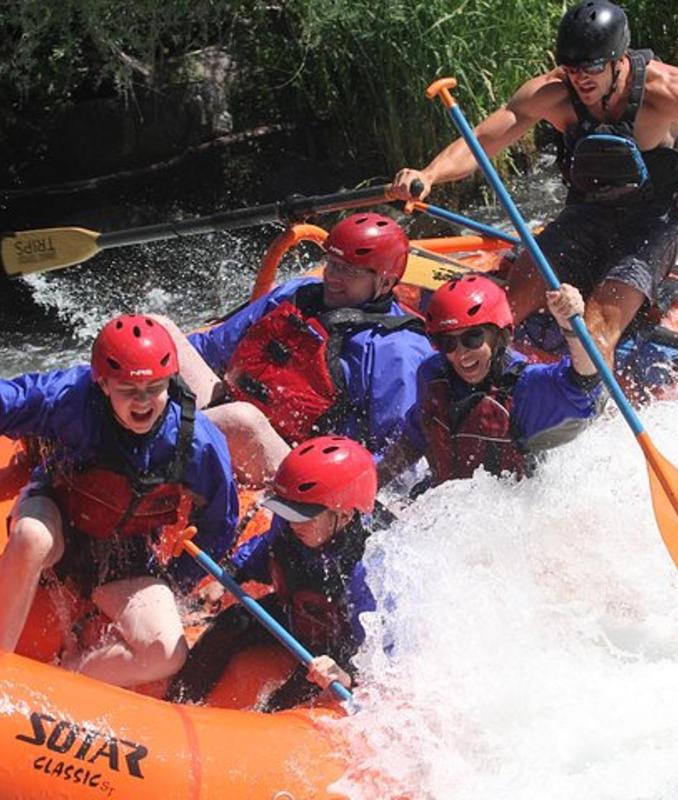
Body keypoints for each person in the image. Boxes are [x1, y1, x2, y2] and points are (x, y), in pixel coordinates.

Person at [392, 0, 678, 365]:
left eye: (591, 67)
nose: (580, 78)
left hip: (652, 225)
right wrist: (429, 174)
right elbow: (482, 141)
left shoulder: (665, 92)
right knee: (504, 311)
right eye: (571, 67)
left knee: (595, 332)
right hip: (586, 216)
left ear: (618, 59)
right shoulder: (553, 93)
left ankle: (584, 397)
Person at [0, 314, 240, 687]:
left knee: (166, 654)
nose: (143, 402)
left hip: (125, 554)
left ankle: (66, 677)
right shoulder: (71, 397)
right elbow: (13, 400)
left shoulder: (197, 440)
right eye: (128, 389)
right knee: (31, 537)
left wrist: (175, 581)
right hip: (57, 516)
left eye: (154, 388)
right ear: (103, 383)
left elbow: (220, 523)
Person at [157, 212, 433, 485]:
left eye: (349, 271)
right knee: (159, 330)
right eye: (332, 263)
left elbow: (396, 456)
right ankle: (154, 436)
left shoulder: (397, 349)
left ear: (386, 282)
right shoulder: (298, 292)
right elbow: (211, 347)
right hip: (230, 411)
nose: (333, 277)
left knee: (242, 420)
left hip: (296, 470)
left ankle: (158, 447)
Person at [167, 436, 382, 709]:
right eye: (287, 512)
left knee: (304, 685)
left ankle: (267, 721)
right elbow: (264, 548)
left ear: (345, 516)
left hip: (338, 649)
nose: (292, 524)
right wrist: (230, 575)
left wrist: (346, 675)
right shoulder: (291, 525)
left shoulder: (369, 570)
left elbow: (379, 649)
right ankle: (178, 700)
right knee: (232, 621)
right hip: (293, 616)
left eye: (302, 516)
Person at [383, 274, 602, 488]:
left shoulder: (523, 388)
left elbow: (584, 384)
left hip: (512, 504)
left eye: (472, 338)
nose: (461, 354)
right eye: (447, 342)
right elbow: (413, 440)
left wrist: (572, 330)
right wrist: (372, 484)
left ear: (498, 335)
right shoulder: (432, 373)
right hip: (443, 498)